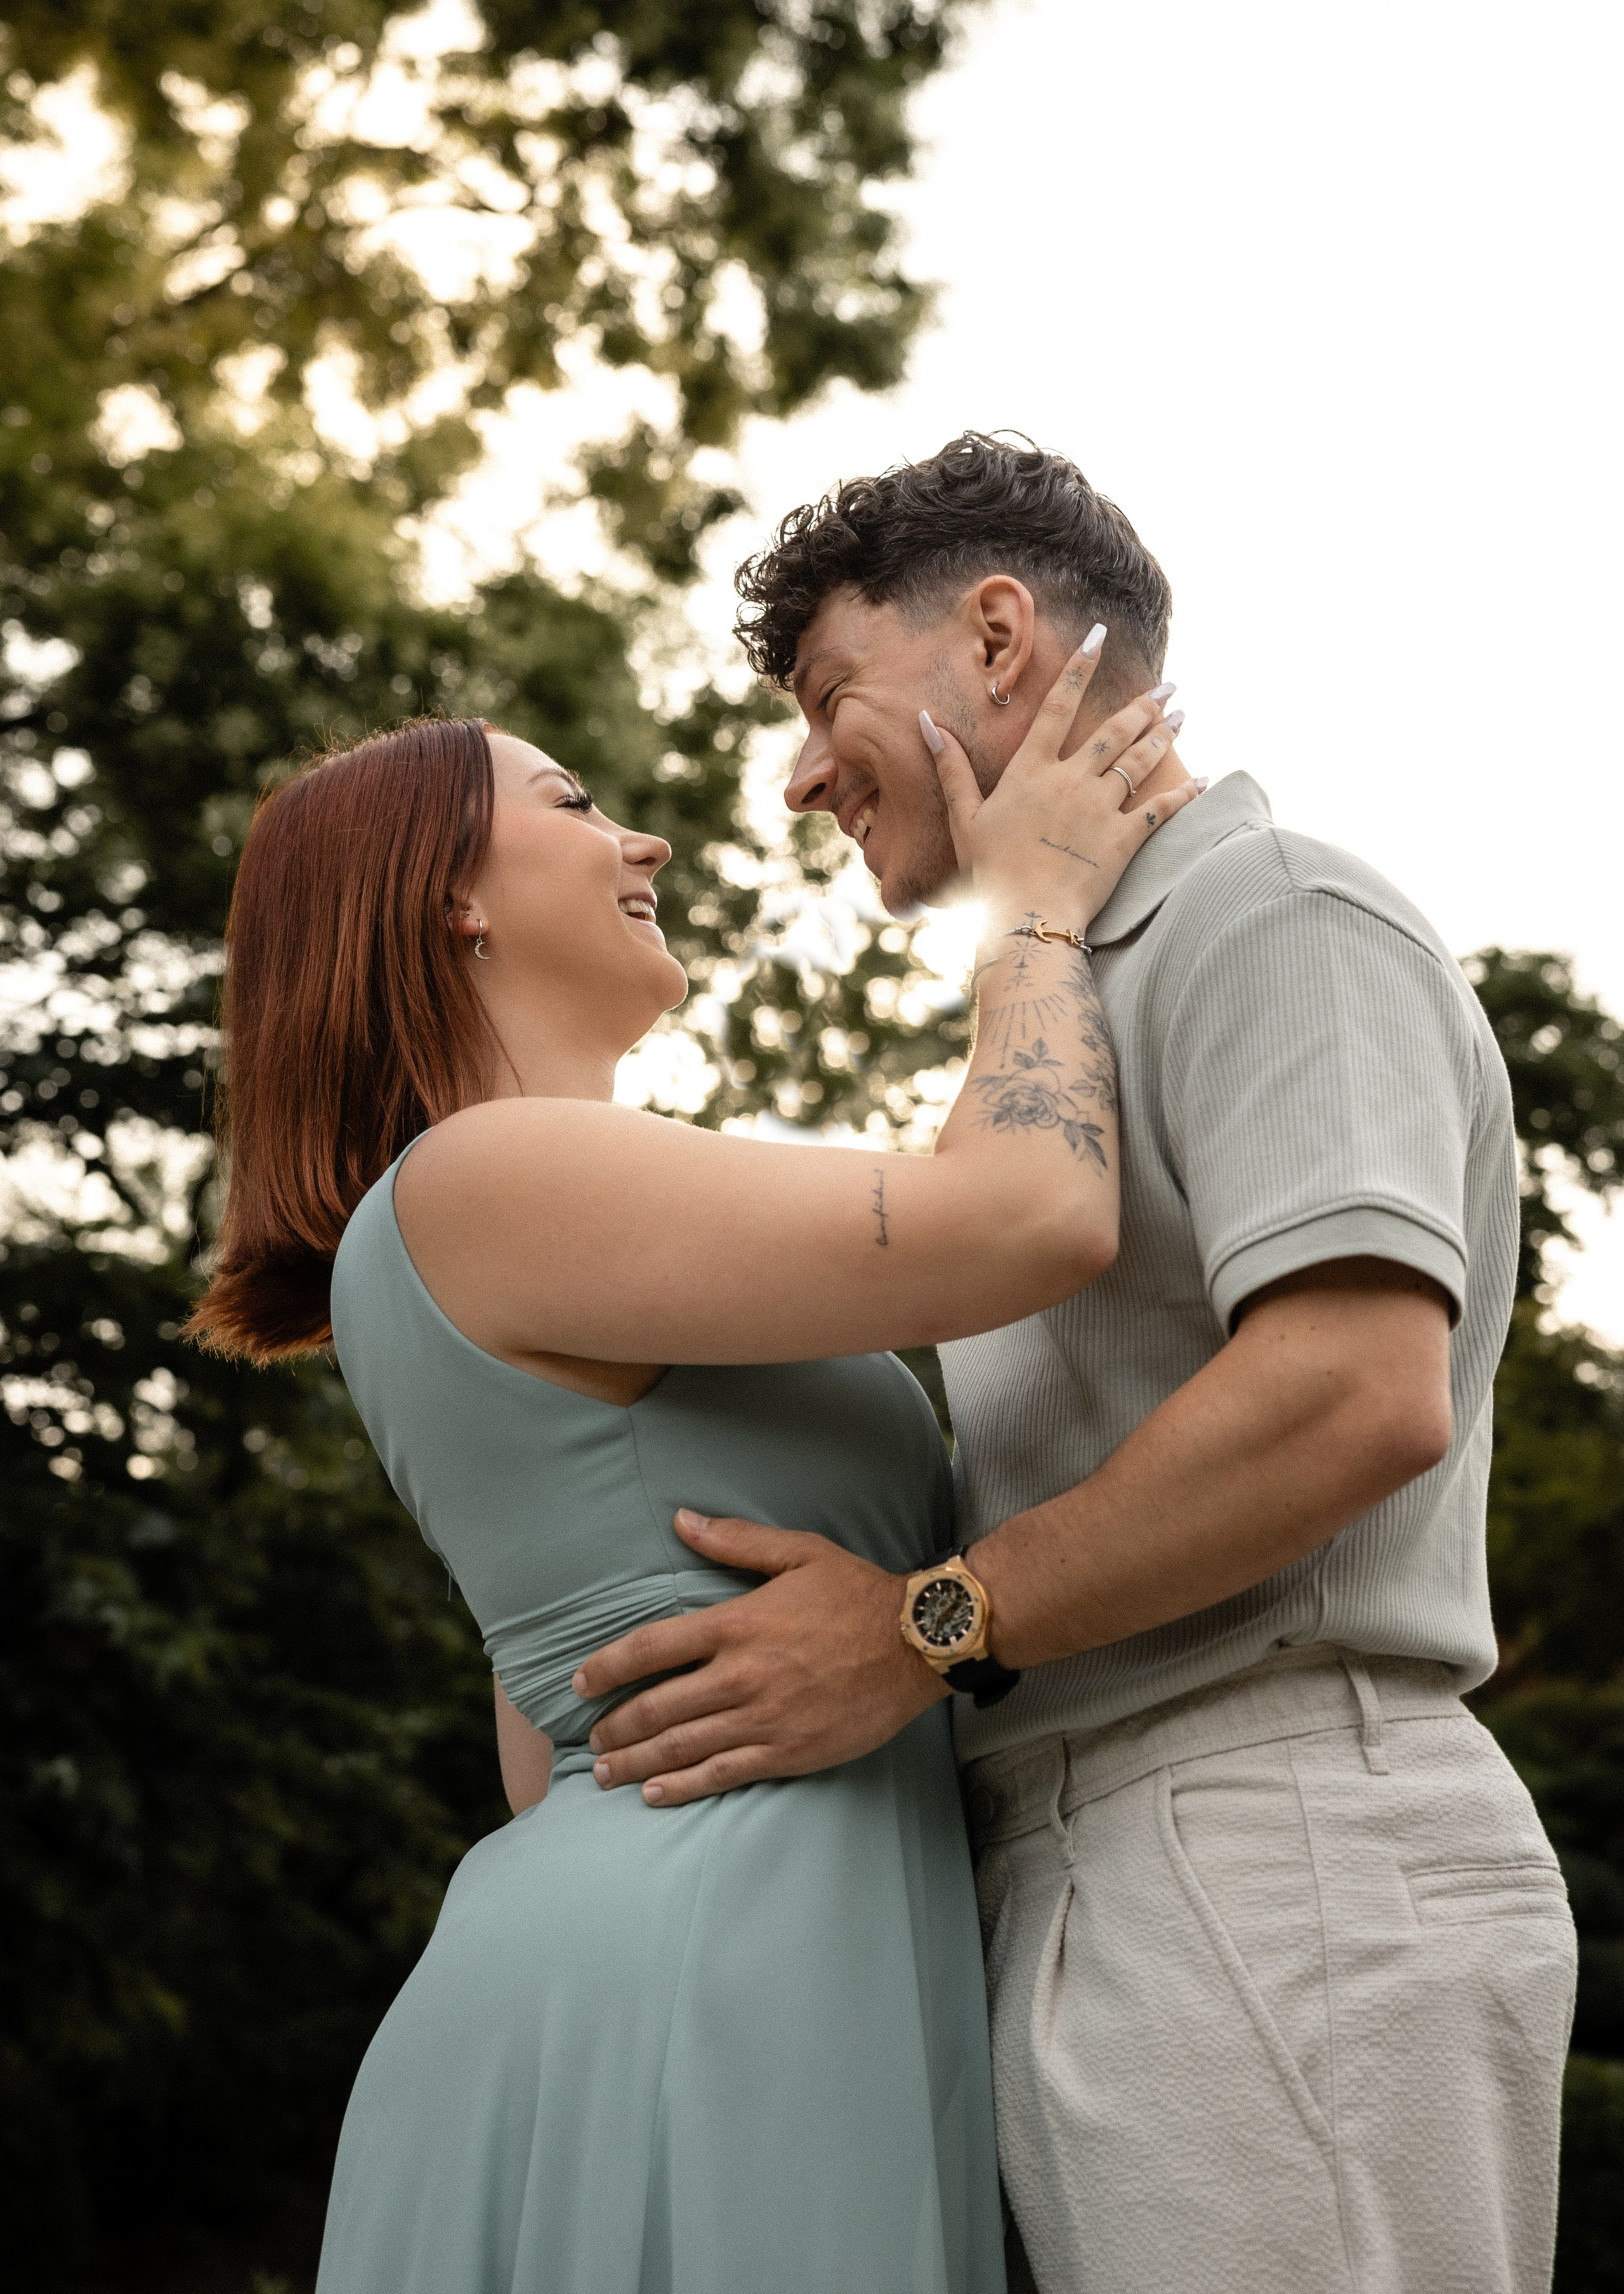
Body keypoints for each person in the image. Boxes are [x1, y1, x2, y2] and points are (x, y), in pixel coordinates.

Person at [576, 432, 1580, 2294]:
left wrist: (917, 1631)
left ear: (999, 636)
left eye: (827, 699)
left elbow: (1351, 1392)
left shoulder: (1273, 912)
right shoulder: (1059, 1019)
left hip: (1270, 1839)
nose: (799, 775)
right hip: (1100, 1858)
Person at [185, 679, 1196, 2293]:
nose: (642, 837)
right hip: (725, 1961)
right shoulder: (490, 1174)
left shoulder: (493, 1225)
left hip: (718, 1940)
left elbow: (551, 1749)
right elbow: (1034, 1216)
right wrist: (1032, 913)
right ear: (449, 897)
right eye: (573, 802)